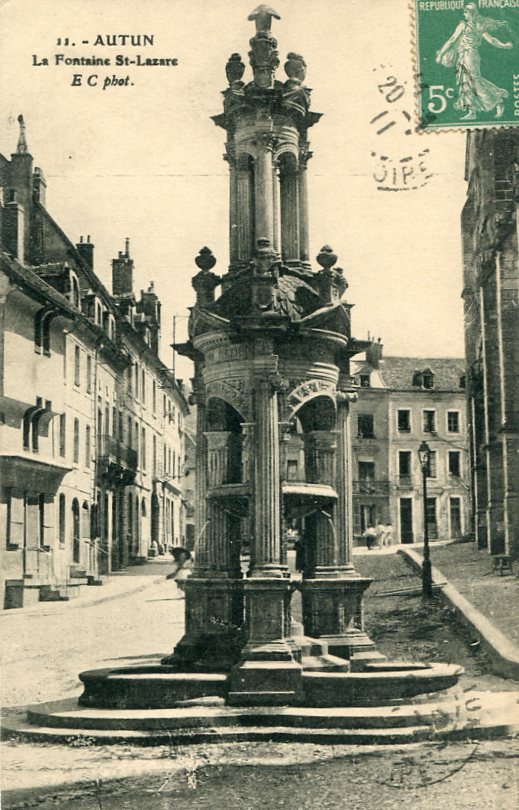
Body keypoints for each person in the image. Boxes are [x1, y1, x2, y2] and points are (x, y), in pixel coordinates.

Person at [436, 4, 513, 121]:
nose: (464, 14)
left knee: (472, 81)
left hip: (468, 56)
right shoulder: (479, 25)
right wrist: (504, 45)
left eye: (466, 12)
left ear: (471, 13)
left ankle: (496, 100)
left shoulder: (464, 25)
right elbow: (492, 40)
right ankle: (474, 109)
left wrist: (441, 53)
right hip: (468, 56)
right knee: (468, 81)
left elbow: (452, 40)